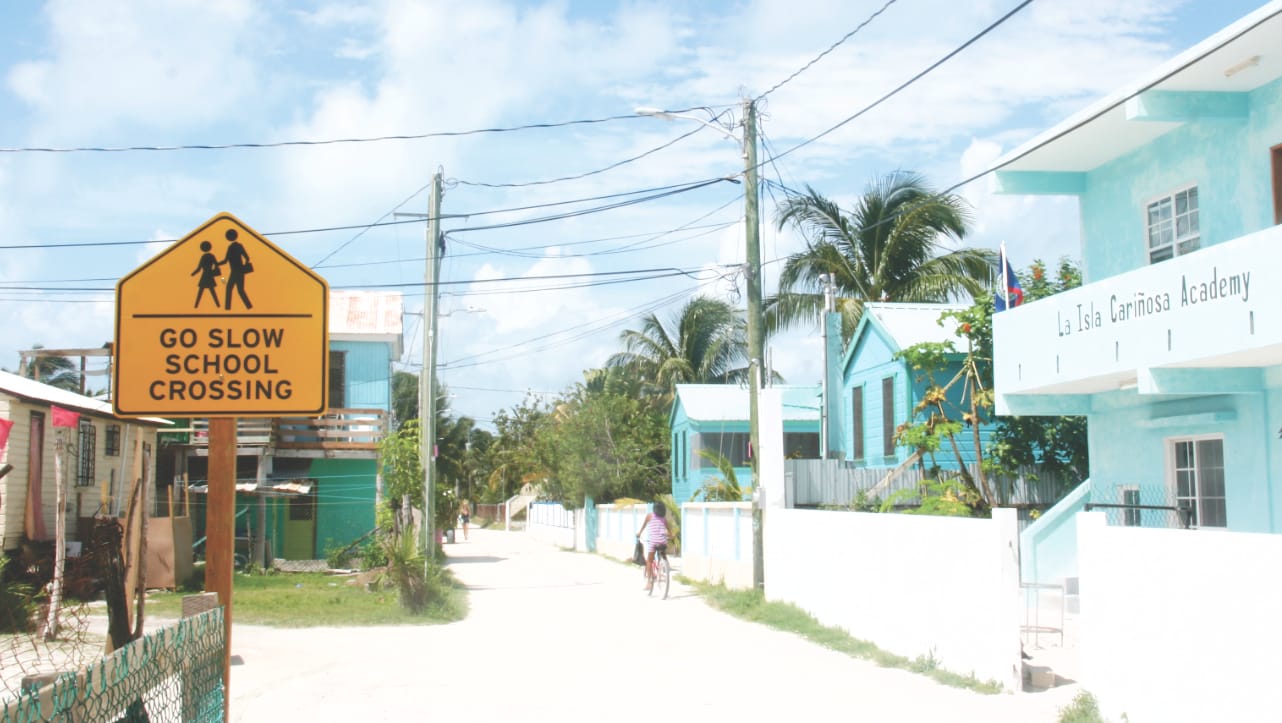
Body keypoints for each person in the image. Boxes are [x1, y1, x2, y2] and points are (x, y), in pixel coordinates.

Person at [636, 500, 669, 591]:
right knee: (663, 552)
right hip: (663, 541)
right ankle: (664, 566)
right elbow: (669, 531)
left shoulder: (649, 516)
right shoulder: (664, 519)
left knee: (649, 561)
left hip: (653, 542)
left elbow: (643, 526)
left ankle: (649, 583)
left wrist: (639, 533)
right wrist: (671, 535)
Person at [220, 228, 253, 310]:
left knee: (229, 288)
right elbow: (247, 258)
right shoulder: (240, 246)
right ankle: (249, 306)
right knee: (240, 290)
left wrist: (217, 264)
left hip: (235, 271)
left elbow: (225, 261)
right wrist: (244, 267)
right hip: (240, 271)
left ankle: (227, 308)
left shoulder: (230, 247)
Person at [191, 240, 221, 309]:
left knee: (201, 292)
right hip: (210, 275)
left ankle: (196, 306)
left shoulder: (203, 257)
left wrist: (192, 274)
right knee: (212, 291)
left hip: (205, 276)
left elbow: (199, 268)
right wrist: (214, 271)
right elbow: (216, 265)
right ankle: (218, 305)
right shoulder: (212, 256)